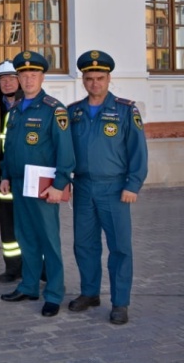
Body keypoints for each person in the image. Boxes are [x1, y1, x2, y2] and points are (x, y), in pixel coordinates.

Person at [67, 50, 148, 325]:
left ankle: (120, 302)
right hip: (83, 187)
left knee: (120, 247)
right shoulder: (73, 112)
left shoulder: (125, 110)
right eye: (89, 78)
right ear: (83, 80)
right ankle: (90, 293)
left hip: (115, 189)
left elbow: (138, 151)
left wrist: (133, 184)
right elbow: (65, 153)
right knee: (84, 245)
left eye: (99, 78)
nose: (94, 83)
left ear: (109, 78)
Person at [0, 51, 75, 318]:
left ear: (43, 76)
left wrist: (60, 184)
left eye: (34, 74)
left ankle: (54, 293)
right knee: (25, 238)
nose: (28, 79)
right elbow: (8, 147)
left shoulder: (54, 109)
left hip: (44, 187)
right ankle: (29, 285)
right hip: (20, 184)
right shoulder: (16, 111)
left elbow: (65, 151)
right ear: (18, 78)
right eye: (23, 75)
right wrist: (5, 175)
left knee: (48, 240)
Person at [0, 60, 24, 283]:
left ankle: (38, 267)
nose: (7, 83)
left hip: (26, 175)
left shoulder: (32, 102)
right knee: (7, 225)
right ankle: (13, 268)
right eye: (3, 79)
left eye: (12, 78)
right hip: (0, 176)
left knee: (31, 224)